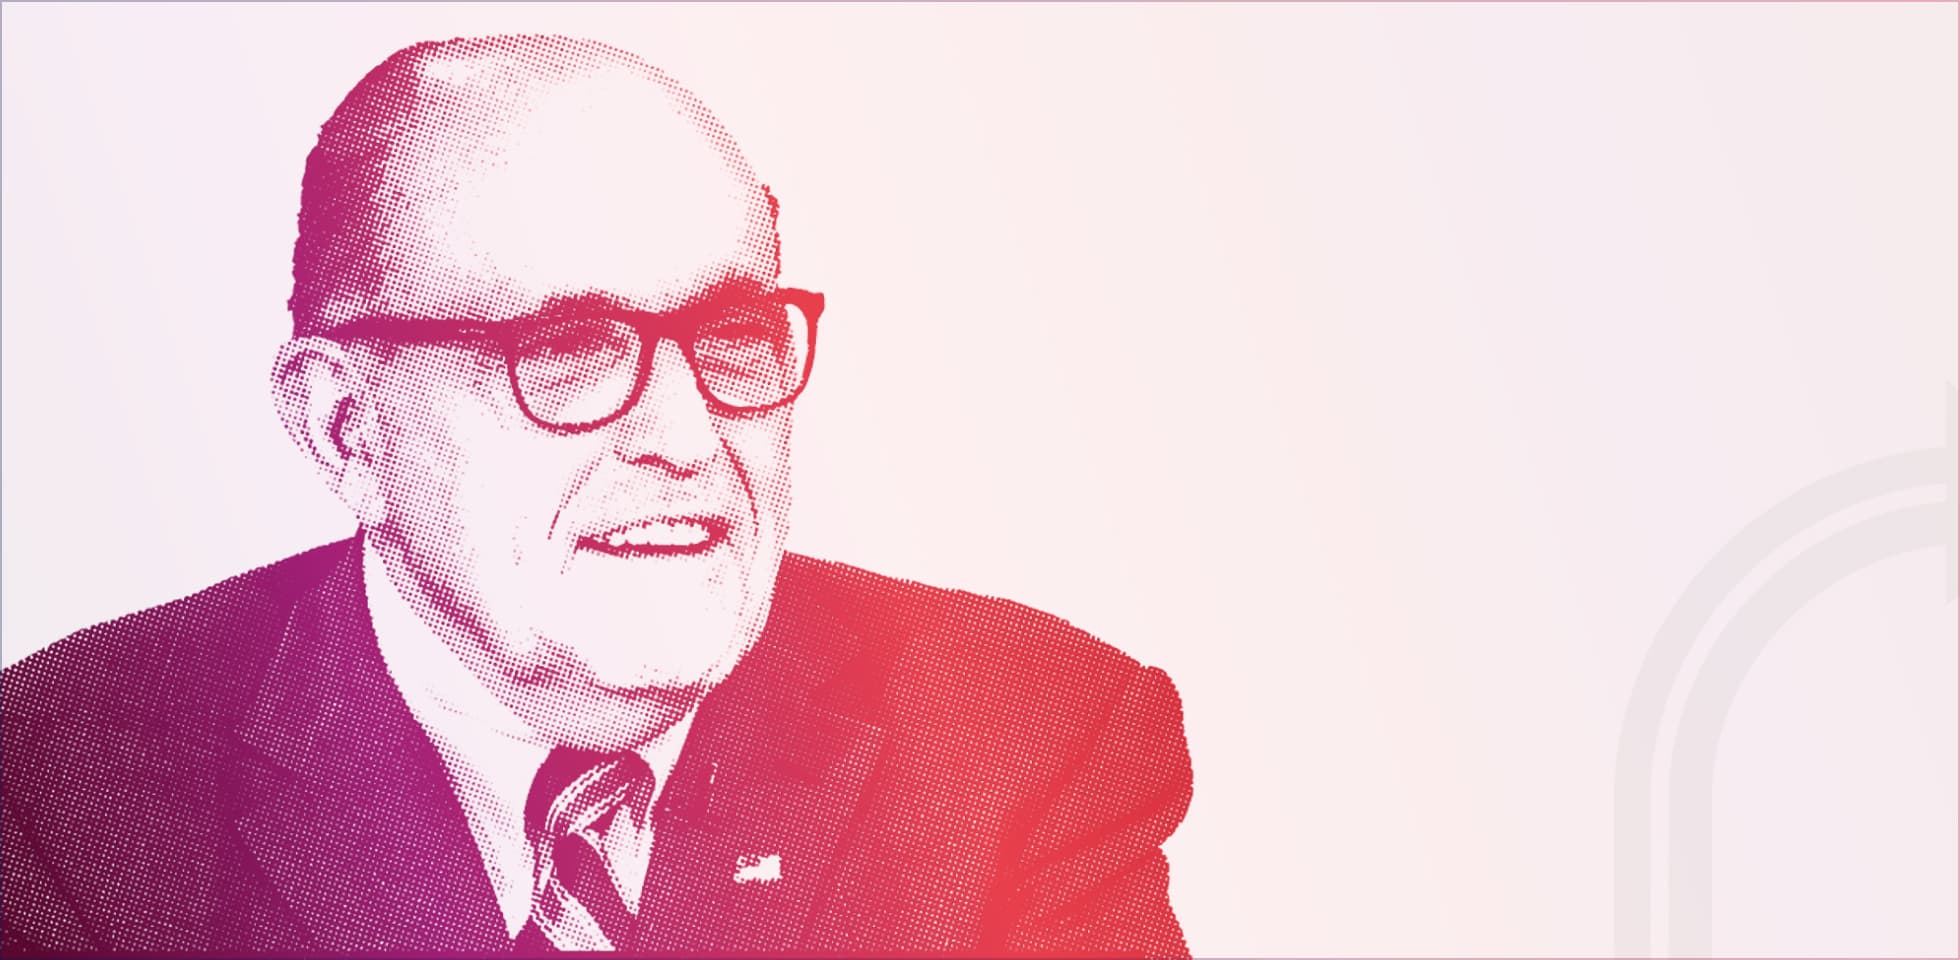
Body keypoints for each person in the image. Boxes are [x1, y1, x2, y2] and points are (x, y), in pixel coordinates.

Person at [0, 34, 1192, 957]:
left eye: (731, 333)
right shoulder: (56, 803)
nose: (686, 436)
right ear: (345, 427)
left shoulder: (1028, 741)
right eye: (564, 349)